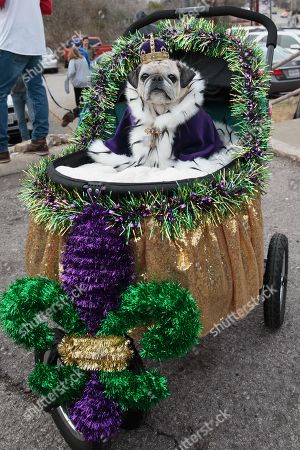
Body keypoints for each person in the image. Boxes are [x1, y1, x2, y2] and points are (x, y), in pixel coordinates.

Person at [0, 0, 52, 163]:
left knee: (0, 93)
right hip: (34, 43)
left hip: (11, 42)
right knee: (36, 90)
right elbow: (46, 7)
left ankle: (1, 149)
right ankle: (40, 140)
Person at [62, 47, 90, 127]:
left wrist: (67, 79)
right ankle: (85, 120)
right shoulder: (83, 58)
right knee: (86, 103)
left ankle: (77, 119)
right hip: (87, 83)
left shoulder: (73, 61)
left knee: (79, 104)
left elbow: (71, 72)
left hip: (78, 84)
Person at [11, 76, 34, 142]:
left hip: (27, 92)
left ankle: (37, 138)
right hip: (15, 94)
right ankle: (25, 140)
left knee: (33, 116)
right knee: (20, 118)